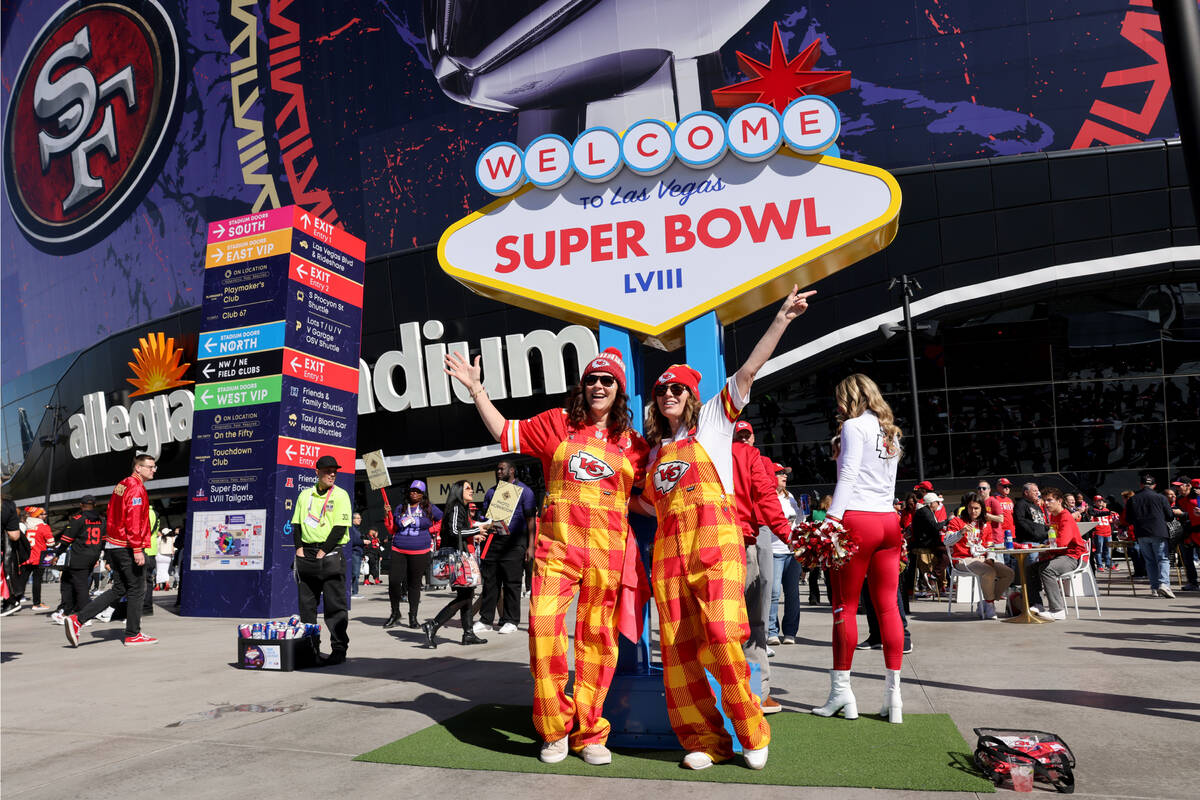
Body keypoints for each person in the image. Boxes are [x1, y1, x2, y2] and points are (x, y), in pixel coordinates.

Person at [445, 345, 648, 768]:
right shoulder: (556, 423)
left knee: (598, 643)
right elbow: (504, 431)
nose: (597, 386)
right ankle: (555, 731)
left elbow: (648, 497)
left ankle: (590, 732)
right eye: (592, 379)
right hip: (557, 552)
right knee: (542, 632)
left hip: (608, 557)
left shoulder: (632, 443)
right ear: (582, 386)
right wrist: (476, 390)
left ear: (619, 390)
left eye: (607, 380)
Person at [638, 285, 815, 770]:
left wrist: (782, 319)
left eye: (677, 389)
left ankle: (751, 730)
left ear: (691, 396)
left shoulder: (714, 421)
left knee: (720, 636)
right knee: (678, 651)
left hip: (716, 545)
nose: (669, 394)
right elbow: (649, 503)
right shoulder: (652, 453)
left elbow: (750, 369)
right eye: (661, 390)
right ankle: (704, 741)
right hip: (669, 554)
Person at [812, 373, 905, 725]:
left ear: (849, 397)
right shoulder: (891, 432)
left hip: (857, 520)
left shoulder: (853, 426)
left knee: (845, 606)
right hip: (888, 520)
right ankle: (893, 697)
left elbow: (848, 476)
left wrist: (831, 520)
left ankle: (841, 693)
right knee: (887, 607)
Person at [730, 420, 792, 715]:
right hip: (745, 537)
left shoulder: (709, 448)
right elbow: (766, 498)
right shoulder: (751, 457)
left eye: (747, 435)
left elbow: (767, 497)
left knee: (733, 620)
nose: (744, 439)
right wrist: (789, 534)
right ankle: (756, 691)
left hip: (726, 538)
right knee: (755, 615)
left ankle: (752, 690)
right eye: (739, 434)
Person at [64, 454, 158, 647]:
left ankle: (78, 620)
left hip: (115, 544)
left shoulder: (122, 484)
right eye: (150, 466)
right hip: (127, 545)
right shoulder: (136, 488)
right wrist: (137, 548)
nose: (153, 470)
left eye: (154, 466)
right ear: (138, 468)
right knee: (138, 588)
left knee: (120, 588)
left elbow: (113, 513)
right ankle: (133, 634)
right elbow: (133, 519)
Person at [289, 454, 353, 665]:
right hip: (306, 554)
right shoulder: (304, 495)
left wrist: (323, 551)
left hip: (330, 554)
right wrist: (299, 549)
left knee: (335, 607)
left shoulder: (341, 495)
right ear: (317, 472)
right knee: (306, 608)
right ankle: (310, 648)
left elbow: (340, 528)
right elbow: (297, 524)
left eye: (334, 471)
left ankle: (339, 649)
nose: (332, 474)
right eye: (327, 471)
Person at [422, 480, 490, 648]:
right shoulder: (456, 507)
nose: (471, 490)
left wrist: (473, 536)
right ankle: (434, 624)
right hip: (457, 557)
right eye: (467, 488)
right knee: (464, 596)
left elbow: (459, 531)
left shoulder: (462, 508)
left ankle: (468, 634)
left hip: (461, 554)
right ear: (458, 491)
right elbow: (453, 531)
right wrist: (476, 530)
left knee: (467, 594)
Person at [476, 459, 537, 635]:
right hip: (495, 542)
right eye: (497, 469)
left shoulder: (525, 492)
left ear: (512, 471)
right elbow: (487, 518)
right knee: (491, 583)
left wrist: (531, 546)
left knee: (512, 583)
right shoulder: (491, 492)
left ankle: (511, 620)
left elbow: (531, 520)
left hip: (515, 543)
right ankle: (486, 620)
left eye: (502, 469)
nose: (498, 471)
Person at [382, 480, 441, 629]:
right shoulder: (401, 508)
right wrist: (387, 514)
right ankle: (395, 613)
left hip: (420, 551)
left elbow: (441, 520)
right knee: (394, 582)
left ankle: (413, 617)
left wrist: (431, 531)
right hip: (399, 549)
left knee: (414, 584)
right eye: (412, 490)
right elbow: (392, 528)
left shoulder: (429, 508)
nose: (414, 493)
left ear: (422, 494)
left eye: (417, 491)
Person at [944, 493, 1013, 619]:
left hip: (982, 559)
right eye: (971, 508)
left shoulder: (985, 525)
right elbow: (946, 542)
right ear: (966, 507)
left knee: (1008, 573)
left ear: (982, 509)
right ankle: (990, 605)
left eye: (976, 508)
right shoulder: (956, 521)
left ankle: (986, 601)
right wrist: (961, 532)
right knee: (989, 571)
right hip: (962, 560)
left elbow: (990, 546)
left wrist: (990, 558)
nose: (973, 511)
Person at [1026, 487, 1088, 620]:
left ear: (1059, 501)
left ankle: (1057, 610)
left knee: (1047, 569)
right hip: (1061, 555)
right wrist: (1046, 550)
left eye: (1049, 500)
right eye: (1045, 500)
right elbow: (1054, 541)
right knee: (1031, 568)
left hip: (1074, 557)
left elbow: (1061, 543)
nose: (1046, 503)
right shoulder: (1054, 516)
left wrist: (1045, 549)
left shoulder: (1065, 517)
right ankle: (1037, 604)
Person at [51, 496, 105, 623]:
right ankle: (66, 610)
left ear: (81, 505)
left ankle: (84, 617)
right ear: (94, 505)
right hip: (93, 555)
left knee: (81, 586)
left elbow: (66, 540)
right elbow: (103, 541)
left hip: (79, 556)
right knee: (67, 580)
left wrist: (57, 554)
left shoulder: (78, 519)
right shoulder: (102, 520)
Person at [768, 463, 803, 646]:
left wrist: (803, 512)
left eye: (785, 473)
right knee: (773, 593)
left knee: (792, 594)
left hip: (791, 552)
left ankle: (790, 631)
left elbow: (798, 521)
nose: (784, 476)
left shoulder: (791, 498)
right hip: (774, 551)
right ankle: (772, 631)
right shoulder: (766, 497)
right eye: (780, 473)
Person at [1125, 474, 1176, 598]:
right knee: (1162, 559)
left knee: (1150, 561)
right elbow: (1170, 516)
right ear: (1154, 485)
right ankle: (1164, 584)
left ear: (1141, 484)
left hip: (1142, 533)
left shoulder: (1133, 499)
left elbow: (1128, 519)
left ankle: (1154, 588)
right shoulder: (1160, 497)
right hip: (1159, 531)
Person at [21, 507, 54, 610]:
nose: (45, 516)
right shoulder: (44, 527)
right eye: (42, 514)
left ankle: (15, 601)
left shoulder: (26, 525)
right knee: (37, 581)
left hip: (26, 557)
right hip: (39, 557)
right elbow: (51, 543)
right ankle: (37, 603)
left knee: (22, 579)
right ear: (37, 516)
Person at [348, 512, 364, 599]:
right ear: (353, 519)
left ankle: (355, 591)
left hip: (358, 552)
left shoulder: (356, 529)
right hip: (354, 553)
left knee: (356, 573)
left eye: (360, 518)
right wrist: (363, 542)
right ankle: (354, 592)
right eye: (358, 518)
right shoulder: (352, 529)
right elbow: (352, 541)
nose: (360, 520)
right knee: (355, 573)